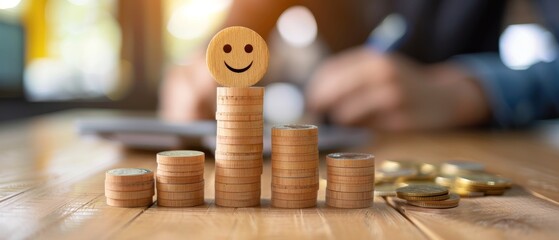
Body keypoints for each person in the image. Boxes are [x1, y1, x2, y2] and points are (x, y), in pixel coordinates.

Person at [159, 0, 559, 131]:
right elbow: (229, 43)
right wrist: (194, 73)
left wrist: (471, 90)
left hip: (480, 142)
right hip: (342, 146)